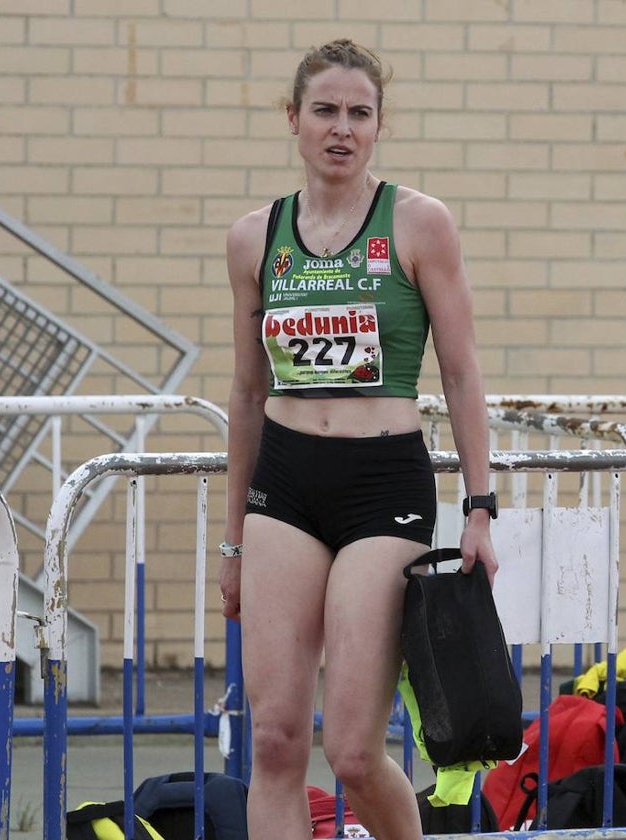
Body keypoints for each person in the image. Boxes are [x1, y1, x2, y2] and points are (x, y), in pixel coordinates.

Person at [219, 38, 497, 840]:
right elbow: (245, 391)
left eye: (359, 113)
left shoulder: (418, 223)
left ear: (379, 125)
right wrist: (232, 541)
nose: (342, 129)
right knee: (272, 741)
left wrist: (480, 508)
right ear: (294, 120)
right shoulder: (253, 239)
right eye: (325, 111)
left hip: (383, 484)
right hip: (286, 480)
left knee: (348, 750)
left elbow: (463, 372)